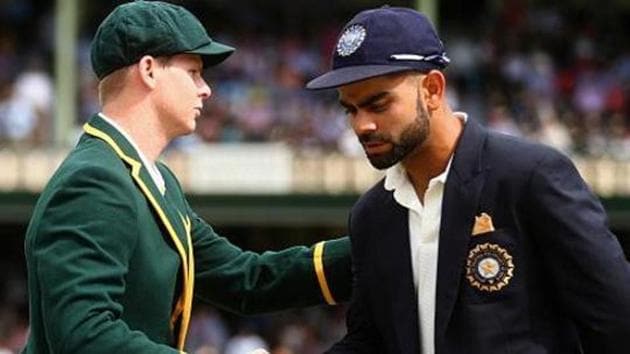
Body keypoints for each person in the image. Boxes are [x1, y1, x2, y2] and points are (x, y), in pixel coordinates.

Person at [23, 2, 352, 353]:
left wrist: (376, 249)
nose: (206, 89)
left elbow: (245, 280)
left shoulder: (151, 177)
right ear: (148, 70)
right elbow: (84, 335)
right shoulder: (94, 180)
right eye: (193, 72)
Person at [306, 6, 630, 354]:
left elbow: (617, 319)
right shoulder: (372, 215)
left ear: (432, 89)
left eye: (378, 104)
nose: (361, 125)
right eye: (350, 109)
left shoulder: (529, 176)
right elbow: (369, 342)